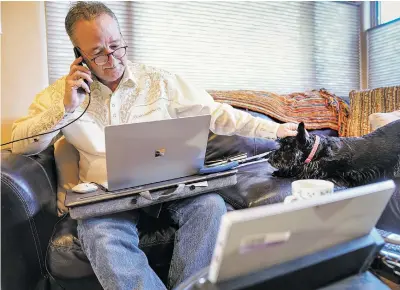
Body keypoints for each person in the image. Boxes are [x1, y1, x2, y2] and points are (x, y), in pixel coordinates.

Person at [11, 2, 300, 289]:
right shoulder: (61, 94)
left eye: (116, 46)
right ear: (79, 55)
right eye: (98, 53)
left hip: (171, 185)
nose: (111, 59)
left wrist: (275, 129)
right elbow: (20, 145)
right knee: (97, 232)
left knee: (211, 205)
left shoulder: (160, 81)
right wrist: (64, 108)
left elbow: (217, 114)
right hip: (108, 197)